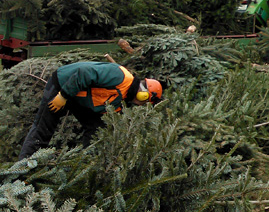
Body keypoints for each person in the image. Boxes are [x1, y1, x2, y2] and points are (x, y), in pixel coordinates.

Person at [19, 61, 163, 160]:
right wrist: (63, 95)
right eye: (144, 100)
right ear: (143, 93)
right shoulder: (119, 77)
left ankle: (86, 163)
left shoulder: (122, 101)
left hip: (80, 98)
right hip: (64, 85)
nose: (140, 104)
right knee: (43, 128)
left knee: (96, 129)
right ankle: (23, 169)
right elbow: (85, 73)